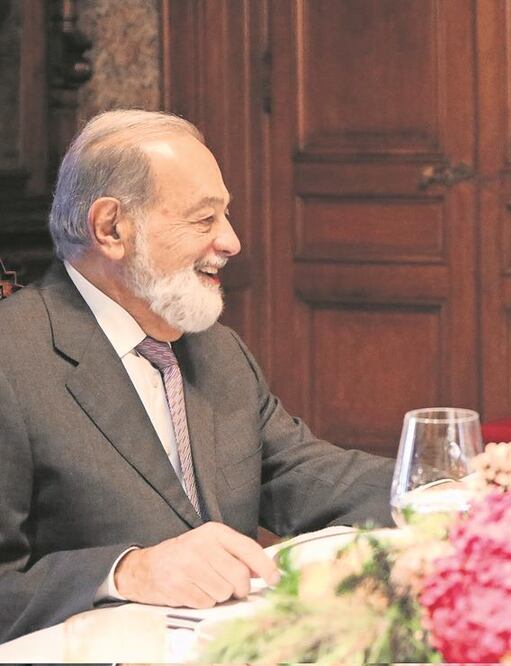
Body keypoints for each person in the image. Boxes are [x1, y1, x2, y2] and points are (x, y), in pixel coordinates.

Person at [0, 110, 395, 641]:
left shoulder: (215, 349)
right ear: (111, 228)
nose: (231, 241)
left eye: (224, 217)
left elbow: (303, 475)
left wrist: (462, 489)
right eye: (204, 220)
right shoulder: (13, 361)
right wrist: (127, 571)